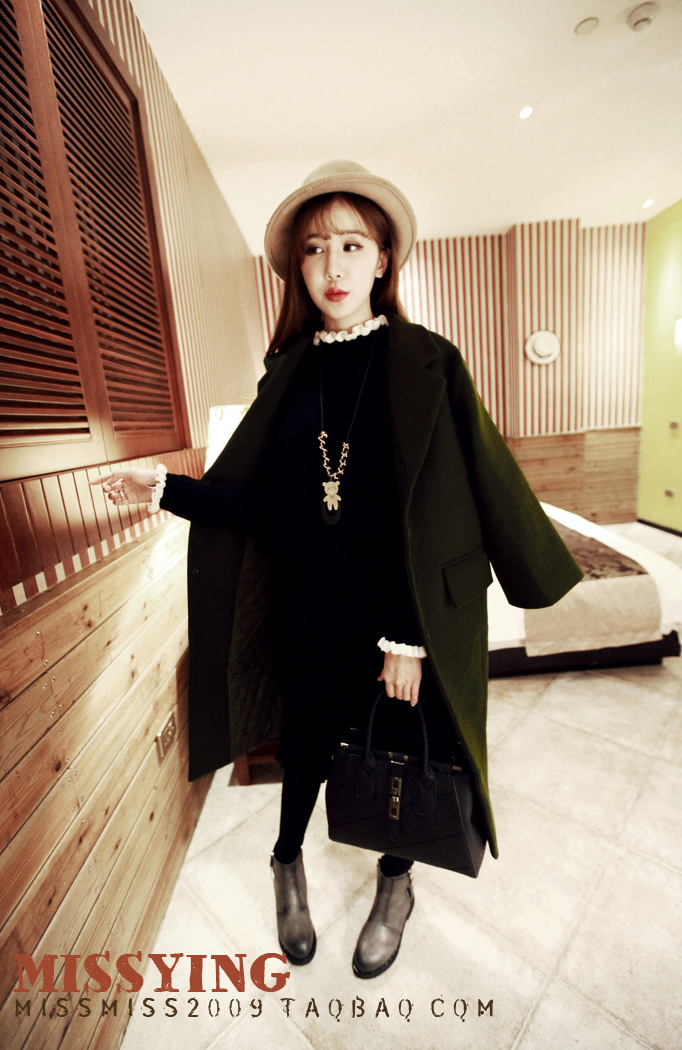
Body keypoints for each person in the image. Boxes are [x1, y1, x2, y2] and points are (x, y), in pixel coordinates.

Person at [93, 160, 582, 979]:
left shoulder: (427, 361)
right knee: (309, 746)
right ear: (298, 267)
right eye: (315, 248)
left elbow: (440, 513)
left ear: (384, 259)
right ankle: (286, 861)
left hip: (401, 618)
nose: (333, 265)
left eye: (352, 244)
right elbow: (268, 508)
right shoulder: (287, 373)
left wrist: (406, 639)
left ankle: (396, 881)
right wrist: (166, 489)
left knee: (404, 750)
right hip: (307, 611)